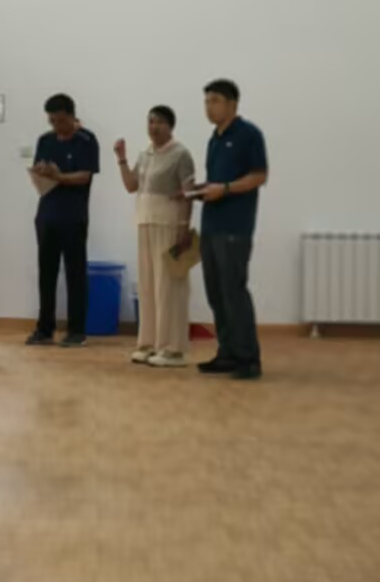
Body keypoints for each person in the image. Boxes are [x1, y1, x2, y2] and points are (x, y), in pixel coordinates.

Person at [191, 79, 268, 380]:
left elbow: (259, 176)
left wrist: (223, 189)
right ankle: (227, 353)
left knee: (234, 292)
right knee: (216, 294)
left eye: (214, 101)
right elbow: (218, 182)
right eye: (206, 101)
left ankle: (248, 359)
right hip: (211, 226)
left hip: (235, 228)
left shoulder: (248, 134)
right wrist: (200, 190)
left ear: (232, 104)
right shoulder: (214, 139)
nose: (208, 107)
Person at [113, 106, 196, 367]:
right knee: (148, 287)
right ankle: (148, 343)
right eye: (150, 122)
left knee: (169, 287)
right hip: (145, 223)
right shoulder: (145, 154)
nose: (153, 127)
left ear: (170, 126)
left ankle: (173, 349)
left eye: (159, 122)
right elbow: (131, 186)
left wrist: (184, 227)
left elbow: (189, 193)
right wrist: (121, 158)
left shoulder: (181, 154)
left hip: (170, 225)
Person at [27, 94, 100, 347]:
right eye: (51, 121)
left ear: (71, 116)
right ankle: (44, 329)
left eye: (59, 121)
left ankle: (76, 330)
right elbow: (39, 169)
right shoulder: (45, 141)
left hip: (74, 216)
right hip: (47, 214)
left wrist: (60, 177)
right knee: (46, 273)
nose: (55, 126)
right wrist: (42, 172)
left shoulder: (86, 140)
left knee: (75, 273)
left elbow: (85, 176)